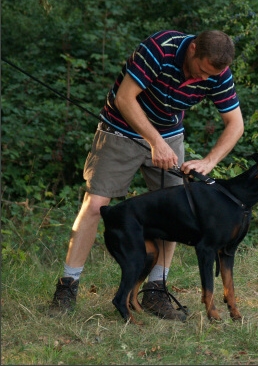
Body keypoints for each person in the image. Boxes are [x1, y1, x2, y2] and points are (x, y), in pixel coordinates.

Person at [49, 30, 244, 321]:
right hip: (120, 130)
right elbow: (124, 98)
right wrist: (154, 141)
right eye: (201, 71)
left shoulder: (218, 72)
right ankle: (67, 286)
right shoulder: (160, 49)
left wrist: (208, 161)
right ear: (192, 49)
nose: (204, 79)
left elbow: (235, 124)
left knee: (177, 213)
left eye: (210, 75)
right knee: (94, 205)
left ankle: (155, 290)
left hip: (170, 136)